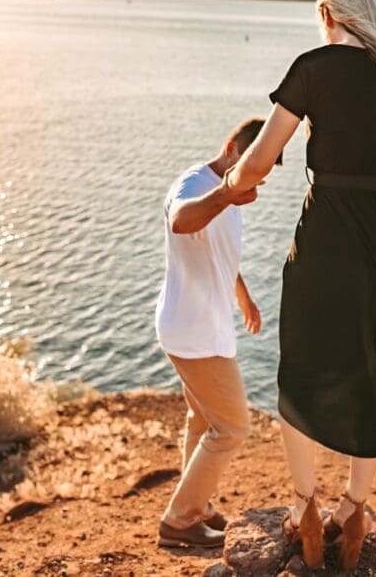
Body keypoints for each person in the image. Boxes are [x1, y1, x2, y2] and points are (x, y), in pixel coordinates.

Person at [180, 0, 376, 569]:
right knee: (374, 365)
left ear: (331, 14)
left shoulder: (314, 67)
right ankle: (354, 508)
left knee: (302, 366)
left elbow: (258, 161)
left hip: (329, 233)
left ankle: (304, 506)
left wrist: (232, 188)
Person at [154, 117, 283, 548]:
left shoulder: (225, 195)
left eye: (261, 177)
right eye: (253, 170)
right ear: (231, 148)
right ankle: (179, 519)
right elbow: (181, 220)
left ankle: (199, 505)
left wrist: (242, 295)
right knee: (232, 427)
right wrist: (228, 192)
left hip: (200, 326)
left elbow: (219, 252)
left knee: (203, 417)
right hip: (193, 333)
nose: (255, 185)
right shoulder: (195, 185)